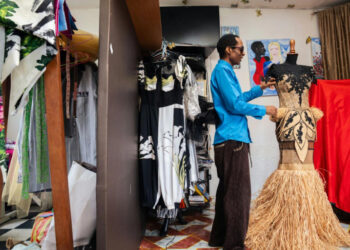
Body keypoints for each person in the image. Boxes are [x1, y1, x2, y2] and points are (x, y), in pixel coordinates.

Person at [209, 34, 277, 250]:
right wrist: (264, 109)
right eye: (240, 49)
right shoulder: (222, 70)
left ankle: (219, 239)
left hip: (228, 140)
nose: (243, 52)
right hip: (232, 140)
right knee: (238, 194)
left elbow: (237, 100)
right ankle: (235, 245)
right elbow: (234, 106)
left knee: (227, 192)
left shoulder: (224, 72)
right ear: (228, 50)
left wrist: (260, 89)